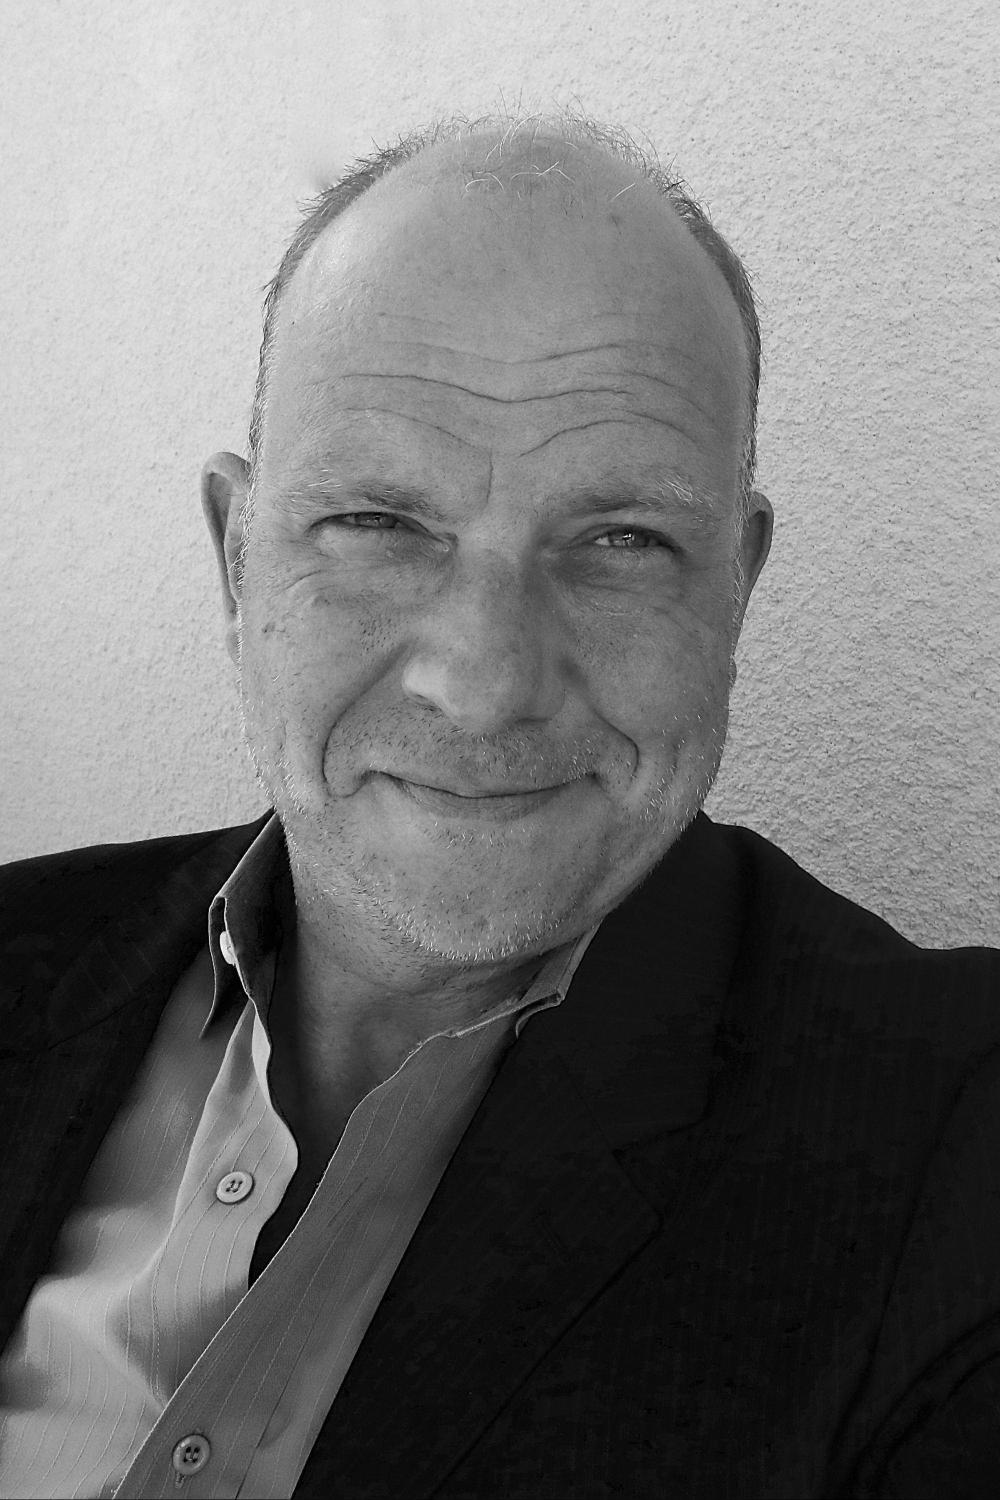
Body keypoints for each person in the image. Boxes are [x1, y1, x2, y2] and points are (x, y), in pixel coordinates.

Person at [0, 110, 997, 1500]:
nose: (484, 684)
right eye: (376, 523)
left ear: (736, 589)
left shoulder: (958, 1145)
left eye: (624, 540)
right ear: (236, 561)